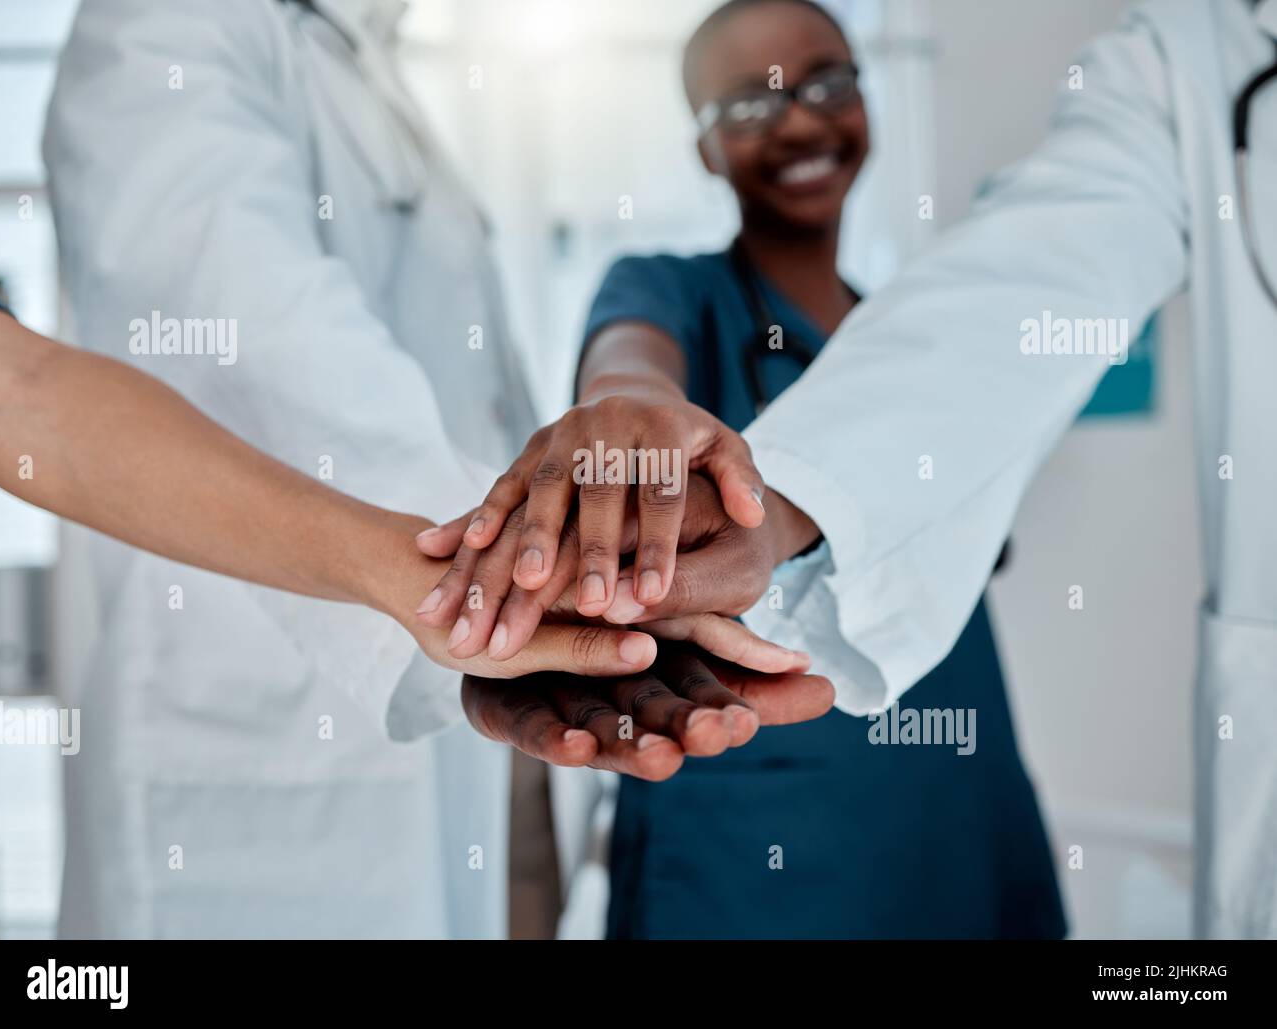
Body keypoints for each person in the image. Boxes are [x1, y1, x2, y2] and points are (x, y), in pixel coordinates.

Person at [437, 0, 1277, 937]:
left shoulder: (915, 336)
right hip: (747, 799)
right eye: (750, 107)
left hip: (957, 789)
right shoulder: (672, 289)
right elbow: (630, 360)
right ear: (705, 150)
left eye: (828, 81)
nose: (800, 119)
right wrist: (629, 410)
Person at [37, 0, 829, 938]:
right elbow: (258, 350)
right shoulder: (169, 27)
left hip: (496, 680)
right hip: (332, 716)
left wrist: (548, 588)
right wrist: (549, 582)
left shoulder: (361, 62)